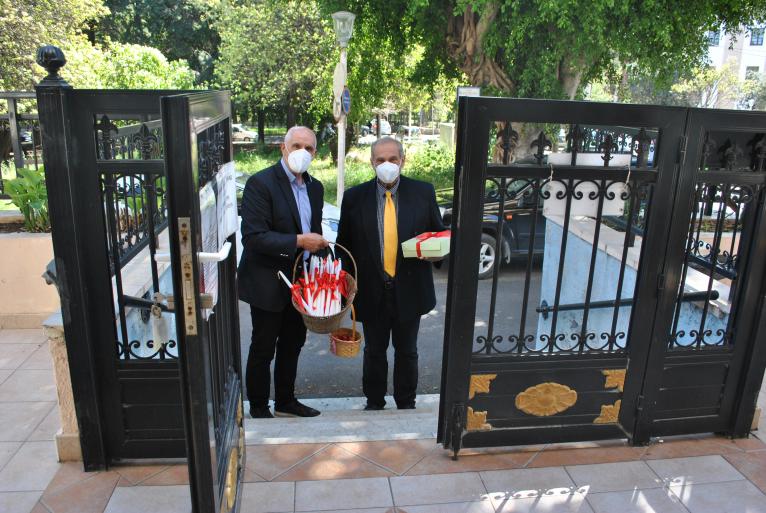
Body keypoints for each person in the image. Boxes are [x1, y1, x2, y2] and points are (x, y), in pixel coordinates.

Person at [336, 137, 445, 410]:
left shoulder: (422, 192)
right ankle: (374, 402)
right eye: (381, 160)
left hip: (410, 287)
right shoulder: (354, 197)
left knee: (407, 351)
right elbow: (343, 245)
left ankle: (406, 403)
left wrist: (437, 252)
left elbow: (439, 234)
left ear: (402, 160)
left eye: (393, 159)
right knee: (374, 351)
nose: (387, 164)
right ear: (372, 163)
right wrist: (345, 286)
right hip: (370, 289)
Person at [238, 126, 328, 418]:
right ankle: (259, 406)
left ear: (315, 153)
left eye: (309, 148)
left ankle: (286, 401)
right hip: (267, 280)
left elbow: (313, 229)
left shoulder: (315, 187)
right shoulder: (261, 183)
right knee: (264, 346)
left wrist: (322, 255)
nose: (302, 152)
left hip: (301, 281)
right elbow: (253, 237)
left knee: (293, 343)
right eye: (296, 146)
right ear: (283, 148)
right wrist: (300, 241)